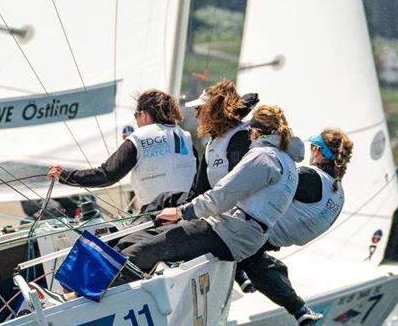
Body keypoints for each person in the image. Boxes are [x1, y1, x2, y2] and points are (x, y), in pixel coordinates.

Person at [116, 105, 300, 271]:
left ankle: (103, 294)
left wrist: (181, 212)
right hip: (238, 234)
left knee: (140, 251)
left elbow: (224, 194)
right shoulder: (288, 163)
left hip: (228, 233)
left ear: (255, 132)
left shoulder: (264, 157)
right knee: (141, 240)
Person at [237, 128, 354, 326]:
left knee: (241, 245)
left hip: (260, 235)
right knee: (257, 261)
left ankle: (241, 271)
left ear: (317, 150)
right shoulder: (339, 192)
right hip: (276, 241)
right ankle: (244, 274)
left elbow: (268, 177)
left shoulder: (310, 177)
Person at [47, 89, 197, 212]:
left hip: (158, 214)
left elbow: (107, 175)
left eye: (136, 115)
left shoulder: (139, 137)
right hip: (188, 211)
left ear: (143, 114)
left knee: (119, 247)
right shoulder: (185, 136)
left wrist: (65, 175)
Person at [184, 80, 259, 198]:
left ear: (212, 111)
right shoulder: (213, 142)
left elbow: (238, 187)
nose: (196, 115)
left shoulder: (241, 138)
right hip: (220, 210)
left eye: (199, 109)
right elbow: (198, 192)